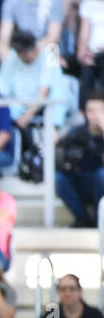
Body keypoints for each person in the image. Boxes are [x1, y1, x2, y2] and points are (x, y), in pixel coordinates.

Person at [54, 91, 104, 227]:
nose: (95, 115)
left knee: (101, 175)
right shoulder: (76, 133)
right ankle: (84, 219)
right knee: (58, 178)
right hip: (81, 181)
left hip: (100, 183)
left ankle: (101, 222)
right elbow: (65, 162)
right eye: (91, 111)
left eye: (100, 110)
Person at [39, 273, 104, 318]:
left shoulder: (95, 316)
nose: (67, 293)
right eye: (63, 289)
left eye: (72, 288)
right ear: (58, 293)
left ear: (80, 291)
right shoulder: (50, 317)